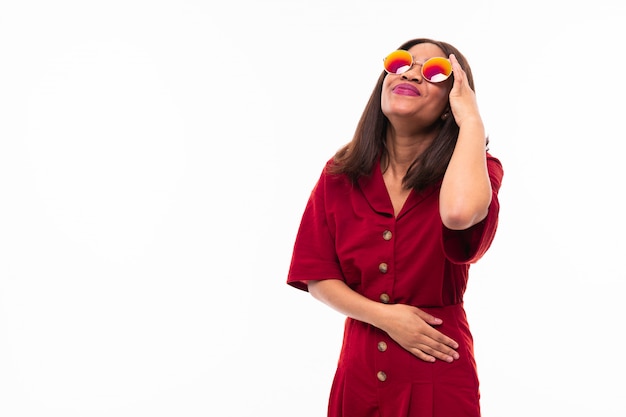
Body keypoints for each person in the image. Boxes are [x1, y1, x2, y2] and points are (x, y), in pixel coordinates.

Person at [286, 37, 503, 417]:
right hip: (359, 371)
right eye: (402, 63)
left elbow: (457, 214)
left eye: (435, 72)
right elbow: (317, 275)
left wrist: (471, 120)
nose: (413, 73)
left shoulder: (476, 171)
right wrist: (385, 317)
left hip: (437, 367)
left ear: (450, 103)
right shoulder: (340, 173)